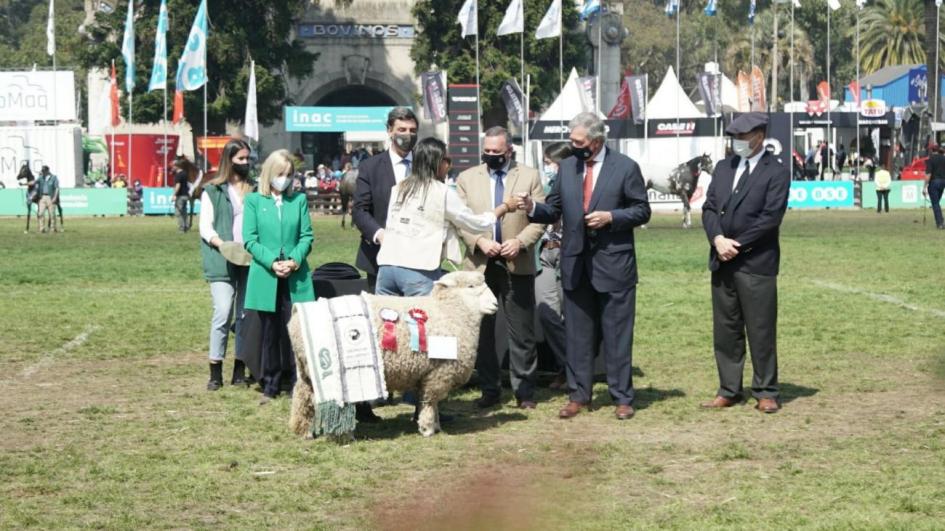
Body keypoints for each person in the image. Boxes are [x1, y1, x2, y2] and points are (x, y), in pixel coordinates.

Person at [519, 112, 651, 421]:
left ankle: (621, 397)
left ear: (596, 140)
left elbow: (642, 210)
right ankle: (579, 395)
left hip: (614, 264)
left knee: (617, 334)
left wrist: (611, 218)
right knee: (578, 335)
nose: (572, 146)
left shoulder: (625, 167)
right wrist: (533, 208)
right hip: (576, 263)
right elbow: (554, 207)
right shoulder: (568, 166)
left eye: (578, 141)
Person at [700, 113, 791, 414]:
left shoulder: (776, 171)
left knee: (760, 329)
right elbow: (710, 207)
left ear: (759, 137)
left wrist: (736, 245)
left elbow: (770, 218)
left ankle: (766, 390)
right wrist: (717, 239)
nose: (736, 142)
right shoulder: (724, 168)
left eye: (741, 137)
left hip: (756, 263)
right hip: (722, 260)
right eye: (733, 137)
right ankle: (729, 388)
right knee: (726, 330)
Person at [454, 127, 546, 409]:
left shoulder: (529, 176)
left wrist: (519, 242)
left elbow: (540, 218)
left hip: (517, 262)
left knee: (522, 331)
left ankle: (524, 392)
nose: (491, 156)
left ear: (509, 151)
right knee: (483, 332)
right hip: (479, 266)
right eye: (487, 151)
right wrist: (480, 241)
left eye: (497, 152)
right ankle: (489, 389)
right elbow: (459, 220)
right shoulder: (467, 178)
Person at [376, 137, 514, 296]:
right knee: (423, 319)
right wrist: (504, 207)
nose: (449, 165)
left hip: (386, 267)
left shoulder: (398, 188)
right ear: (437, 162)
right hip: (419, 269)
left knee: (388, 319)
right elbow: (476, 223)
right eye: (446, 159)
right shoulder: (442, 192)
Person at [243, 149, 315, 403]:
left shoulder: (299, 201)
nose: (284, 179)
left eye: (288, 174)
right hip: (266, 275)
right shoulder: (254, 201)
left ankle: (301, 383)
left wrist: (294, 261)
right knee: (270, 333)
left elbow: (307, 235)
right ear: (269, 174)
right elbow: (250, 240)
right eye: (280, 174)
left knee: (298, 333)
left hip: (296, 276)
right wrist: (273, 263)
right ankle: (270, 384)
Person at [198, 139, 254, 390]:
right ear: (229, 160)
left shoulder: (254, 189)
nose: (245, 163)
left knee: (244, 315)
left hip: (250, 260)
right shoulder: (212, 190)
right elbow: (205, 227)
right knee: (223, 313)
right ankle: (215, 371)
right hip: (222, 259)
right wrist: (223, 245)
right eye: (241, 158)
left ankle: (240, 369)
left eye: (247, 158)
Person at [353, 107, 420, 292]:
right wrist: (380, 235)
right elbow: (360, 210)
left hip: (420, 259)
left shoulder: (427, 165)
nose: (408, 135)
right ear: (390, 131)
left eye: (412, 131)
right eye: (402, 130)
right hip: (380, 258)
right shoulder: (370, 167)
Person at [534, 142, 571, 390]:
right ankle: (568, 365)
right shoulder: (543, 188)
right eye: (546, 163)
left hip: (568, 256)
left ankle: (568, 371)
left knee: (570, 316)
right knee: (547, 313)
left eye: (551, 163)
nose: (548, 168)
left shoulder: (578, 187)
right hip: (543, 255)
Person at [923, 144, 945, 229]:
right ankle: (941, 221)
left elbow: (928, 174)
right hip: (943, 182)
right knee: (936, 203)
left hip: (934, 183)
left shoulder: (930, 160)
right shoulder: (944, 158)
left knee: (935, 204)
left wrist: (924, 187)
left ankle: (940, 223)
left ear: (931, 150)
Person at [35, 166, 60, 233]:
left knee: (52, 214)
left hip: (50, 197)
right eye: (42, 171)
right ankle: (42, 229)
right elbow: (34, 182)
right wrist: (25, 184)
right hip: (42, 197)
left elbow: (57, 188)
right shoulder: (41, 178)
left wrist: (55, 197)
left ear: (47, 171)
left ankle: (53, 229)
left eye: (44, 171)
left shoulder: (54, 178)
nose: (43, 172)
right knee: (40, 213)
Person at [173, 159, 191, 232]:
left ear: (177, 166)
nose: (173, 167)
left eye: (174, 166)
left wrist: (174, 195)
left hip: (180, 196)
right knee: (184, 212)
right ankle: (186, 226)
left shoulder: (178, 175)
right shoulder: (185, 173)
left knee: (179, 212)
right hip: (186, 195)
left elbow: (178, 185)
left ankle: (181, 228)